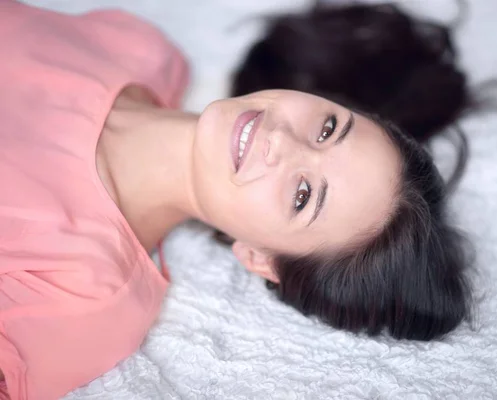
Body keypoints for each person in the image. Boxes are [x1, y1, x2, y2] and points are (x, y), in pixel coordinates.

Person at [0, 1, 472, 399]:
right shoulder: (144, 50)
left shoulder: (86, 295)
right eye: (328, 128)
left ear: (261, 259)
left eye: (303, 196)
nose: (283, 140)